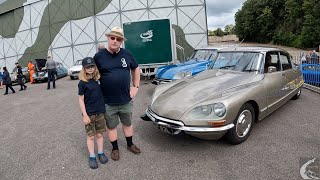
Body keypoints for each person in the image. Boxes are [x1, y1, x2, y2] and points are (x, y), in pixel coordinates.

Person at [94, 27, 141, 161]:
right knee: (111, 126)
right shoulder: (99, 56)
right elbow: (90, 73)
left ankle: (130, 144)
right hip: (108, 102)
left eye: (118, 39)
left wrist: (136, 86)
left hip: (126, 99)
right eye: (112, 38)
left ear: (121, 41)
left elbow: (136, 69)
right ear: (108, 38)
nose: (115, 41)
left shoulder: (127, 54)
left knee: (127, 124)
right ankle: (115, 148)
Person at [78, 57, 109, 169]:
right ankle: (92, 156)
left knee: (100, 134)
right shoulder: (82, 83)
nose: (90, 68)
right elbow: (81, 100)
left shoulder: (98, 79)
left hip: (100, 112)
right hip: (89, 114)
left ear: (95, 67)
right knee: (91, 136)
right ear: (84, 69)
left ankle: (100, 153)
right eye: (87, 67)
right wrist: (85, 115)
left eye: (92, 66)